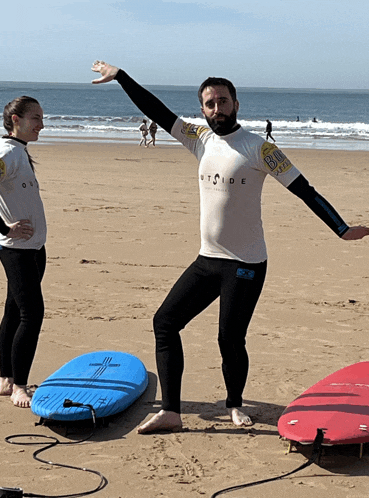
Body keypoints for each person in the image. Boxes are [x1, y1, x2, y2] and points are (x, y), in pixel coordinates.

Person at [91, 61, 369, 433]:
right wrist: (122, 78)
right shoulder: (198, 138)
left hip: (246, 263)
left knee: (229, 338)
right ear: (202, 109)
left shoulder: (261, 148)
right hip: (208, 259)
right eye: (209, 103)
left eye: (223, 101)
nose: (216, 108)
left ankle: (235, 403)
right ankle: (171, 411)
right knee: (165, 323)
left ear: (237, 104)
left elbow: (305, 190)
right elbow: (156, 110)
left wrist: (341, 228)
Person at [0, 96, 47, 408]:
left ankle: (6, 380)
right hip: (18, 251)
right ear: (16, 119)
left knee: (14, 312)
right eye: (36, 118)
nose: (42, 124)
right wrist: (4, 229)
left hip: (32, 249)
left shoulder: (19, 152)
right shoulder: (5, 153)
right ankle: (20, 386)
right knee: (32, 314)